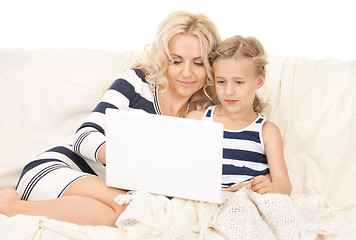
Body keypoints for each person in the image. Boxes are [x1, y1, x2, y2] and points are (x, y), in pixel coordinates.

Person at [0, 10, 221, 227]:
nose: (186, 73)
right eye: (176, 61)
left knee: (123, 215)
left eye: (198, 63)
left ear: (211, 65)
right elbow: (84, 136)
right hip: (56, 169)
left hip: (99, 193)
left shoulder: (204, 113)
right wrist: (133, 158)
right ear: (164, 59)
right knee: (128, 208)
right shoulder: (136, 82)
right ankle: (11, 208)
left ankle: (15, 207)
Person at [187, 35, 292, 195]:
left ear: (259, 81)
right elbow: (182, 168)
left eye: (239, 82)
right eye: (221, 82)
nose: (229, 91)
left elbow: (284, 186)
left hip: (245, 202)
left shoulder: (267, 132)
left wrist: (264, 187)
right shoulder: (197, 120)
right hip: (203, 200)